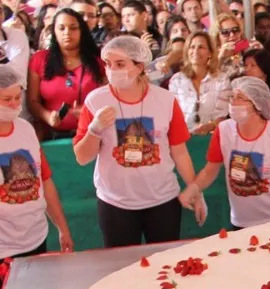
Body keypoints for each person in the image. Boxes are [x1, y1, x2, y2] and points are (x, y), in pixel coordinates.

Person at [72, 35, 205, 248]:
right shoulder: (96, 100)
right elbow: (82, 157)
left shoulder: (165, 100)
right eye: (108, 64)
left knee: (165, 266)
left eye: (120, 64)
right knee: (121, 268)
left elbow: (179, 151)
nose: (112, 69)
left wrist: (194, 189)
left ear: (139, 66)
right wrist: (95, 129)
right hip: (115, 204)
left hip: (162, 201)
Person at [183, 76, 270, 229]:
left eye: (241, 98)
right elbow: (210, 170)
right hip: (242, 223)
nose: (233, 102)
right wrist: (193, 189)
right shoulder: (223, 131)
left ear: (257, 104)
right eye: (232, 97)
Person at [0, 65, 72, 259]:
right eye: (7, 100)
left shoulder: (25, 129)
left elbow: (44, 181)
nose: (15, 105)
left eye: (17, 98)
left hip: (35, 237)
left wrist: (62, 227)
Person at [28, 8, 105, 141]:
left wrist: (89, 112)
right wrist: (47, 116)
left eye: (73, 28)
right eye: (61, 28)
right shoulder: (39, 59)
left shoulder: (99, 61)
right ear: (54, 31)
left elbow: (108, 99)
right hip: (51, 137)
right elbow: (32, 101)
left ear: (82, 31)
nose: (67, 33)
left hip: (91, 134)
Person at [169, 32, 231, 134]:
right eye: (192, 47)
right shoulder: (176, 80)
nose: (196, 51)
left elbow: (221, 116)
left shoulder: (222, 79)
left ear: (210, 53)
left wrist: (210, 126)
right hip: (182, 137)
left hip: (211, 137)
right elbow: (172, 114)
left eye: (201, 47)